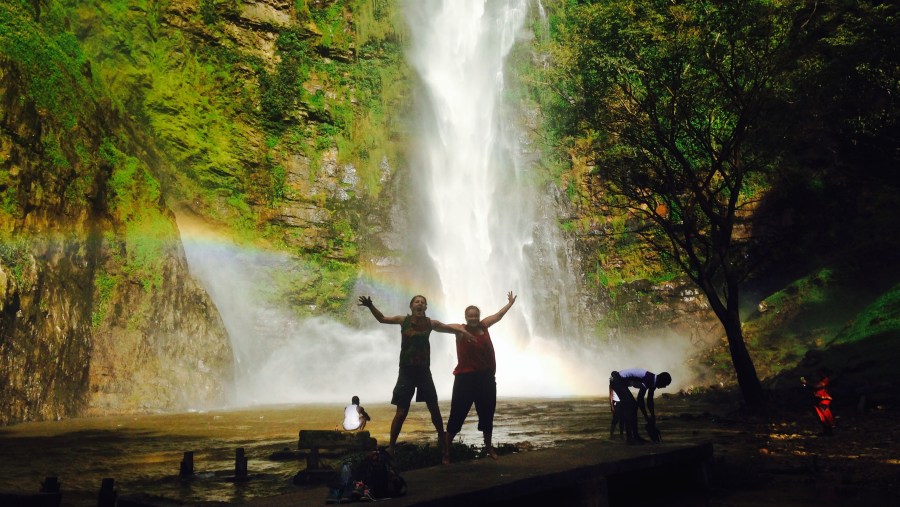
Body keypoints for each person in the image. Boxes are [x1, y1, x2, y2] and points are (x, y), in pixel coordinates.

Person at [358, 294, 473, 463]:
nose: (420, 304)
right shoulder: (402, 320)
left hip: (423, 371)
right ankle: (391, 447)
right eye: (417, 302)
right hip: (406, 371)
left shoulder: (430, 323)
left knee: (434, 409)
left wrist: (463, 331)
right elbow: (382, 319)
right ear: (411, 306)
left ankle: (445, 450)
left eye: (423, 302)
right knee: (401, 411)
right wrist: (370, 306)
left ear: (425, 307)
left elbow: (446, 328)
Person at [445, 291, 517, 461]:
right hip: (465, 379)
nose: (473, 318)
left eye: (476, 315)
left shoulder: (484, 326)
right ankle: (446, 452)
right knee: (457, 413)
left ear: (479, 316)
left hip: (485, 378)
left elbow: (498, 315)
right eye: (470, 316)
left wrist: (510, 304)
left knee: (487, 413)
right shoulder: (460, 330)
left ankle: (488, 448)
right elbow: (441, 326)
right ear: (465, 317)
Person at [609, 368, 672, 444]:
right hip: (616, 380)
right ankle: (630, 438)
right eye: (665, 384)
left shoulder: (653, 382)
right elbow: (640, 397)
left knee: (633, 406)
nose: (664, 387)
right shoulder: (649, 379)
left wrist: (652, 415)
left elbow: (649, 401)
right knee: (630, 406)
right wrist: (646, 416)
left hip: (620, 381)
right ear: (661, 380)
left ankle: (635, 436)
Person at [801, 368, 834, 435]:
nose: (820, 374)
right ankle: (826, 431)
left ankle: (829, 432)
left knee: (825, 415)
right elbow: (814, 387)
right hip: (819, 399)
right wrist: (805, 384)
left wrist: (806, 382)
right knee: (821, 415)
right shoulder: (821, 380)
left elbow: (817, 386)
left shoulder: (825, 380)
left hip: (824, 400)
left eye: (821, 373)